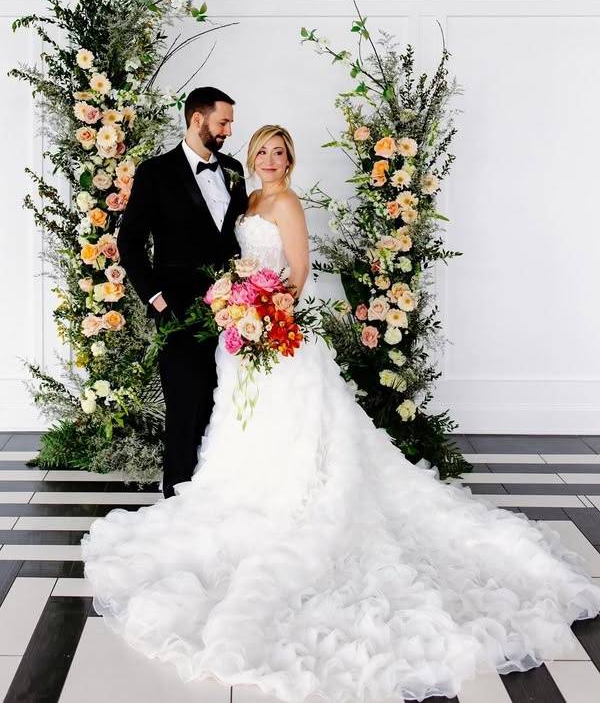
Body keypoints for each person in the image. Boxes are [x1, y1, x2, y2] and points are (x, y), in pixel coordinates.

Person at [83, 125, 600, 703]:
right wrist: (236, 307)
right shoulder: (247, 197)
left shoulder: (287, 204)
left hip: (275, 338)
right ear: (251, 157)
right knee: (237, 432)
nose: (271, 160)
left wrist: (267, 316)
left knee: (298, 440)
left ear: (290, 160)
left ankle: (290, 502)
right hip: (240, 337)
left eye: (280, 153)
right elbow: (233, 262)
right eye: (263, 151)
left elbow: (297, 275)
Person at [116, 86, 248, 499]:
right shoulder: (155, 172)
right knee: (184, 405)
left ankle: (215, 494)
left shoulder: (234, 170)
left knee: (222, 402)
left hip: (234, 311)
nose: (228, 130)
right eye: (222, 122)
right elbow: (130, 244)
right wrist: (156, 300)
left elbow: (240, 240)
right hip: (178, 309)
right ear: (197, 119)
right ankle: (176, 498)